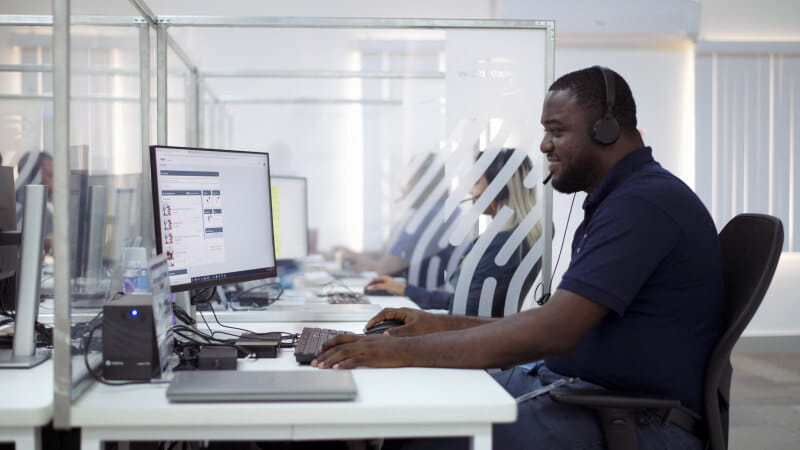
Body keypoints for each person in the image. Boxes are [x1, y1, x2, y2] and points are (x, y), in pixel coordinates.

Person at [312, 66, 724, 450]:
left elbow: (552, 333)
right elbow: (551, 322)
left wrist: (397, 351)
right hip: (578, 391)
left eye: (556, 131)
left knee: (420, 433)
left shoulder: (644, 204)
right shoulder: (623, 199)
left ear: (606, 130)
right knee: (407, 397)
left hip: (631, 420)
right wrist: (436, 325)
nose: (544, 145)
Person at [365, 148, 543, 317]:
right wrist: (403, 288)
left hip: (471, 337)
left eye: (476, 182)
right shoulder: (514, 237)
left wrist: (406, 290)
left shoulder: (504, 243)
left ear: (500, 187)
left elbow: (466, 307)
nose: (470, 191)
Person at [337, 153, 458, 288]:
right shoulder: (440, 209)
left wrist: (361, 263)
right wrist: (356, 255)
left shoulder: (430, 215)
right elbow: (388, 252)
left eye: (408, 181)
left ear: (425, 184)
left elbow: (387, 268)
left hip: (417, 296)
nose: (403, 188)